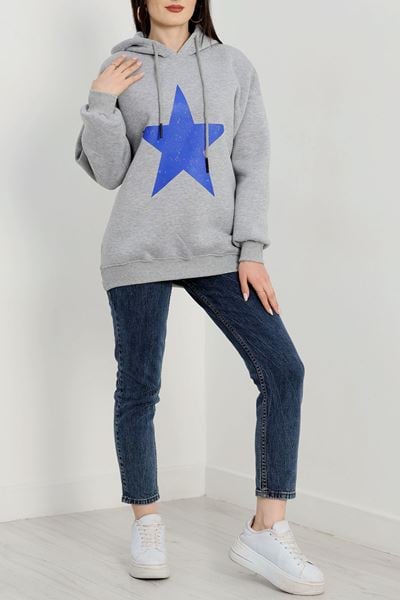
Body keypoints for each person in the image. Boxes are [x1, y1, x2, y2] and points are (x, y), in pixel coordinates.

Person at [75, 0, 325, 595]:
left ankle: (267, 528)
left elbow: (253, 160)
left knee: (283, 370)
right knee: (140, 387)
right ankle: (147, 523)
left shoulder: (233, 66)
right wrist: (100, 102)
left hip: (219, 251)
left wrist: (252, 248)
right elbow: (108, 172)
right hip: (137, 251)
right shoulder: (123, 67)